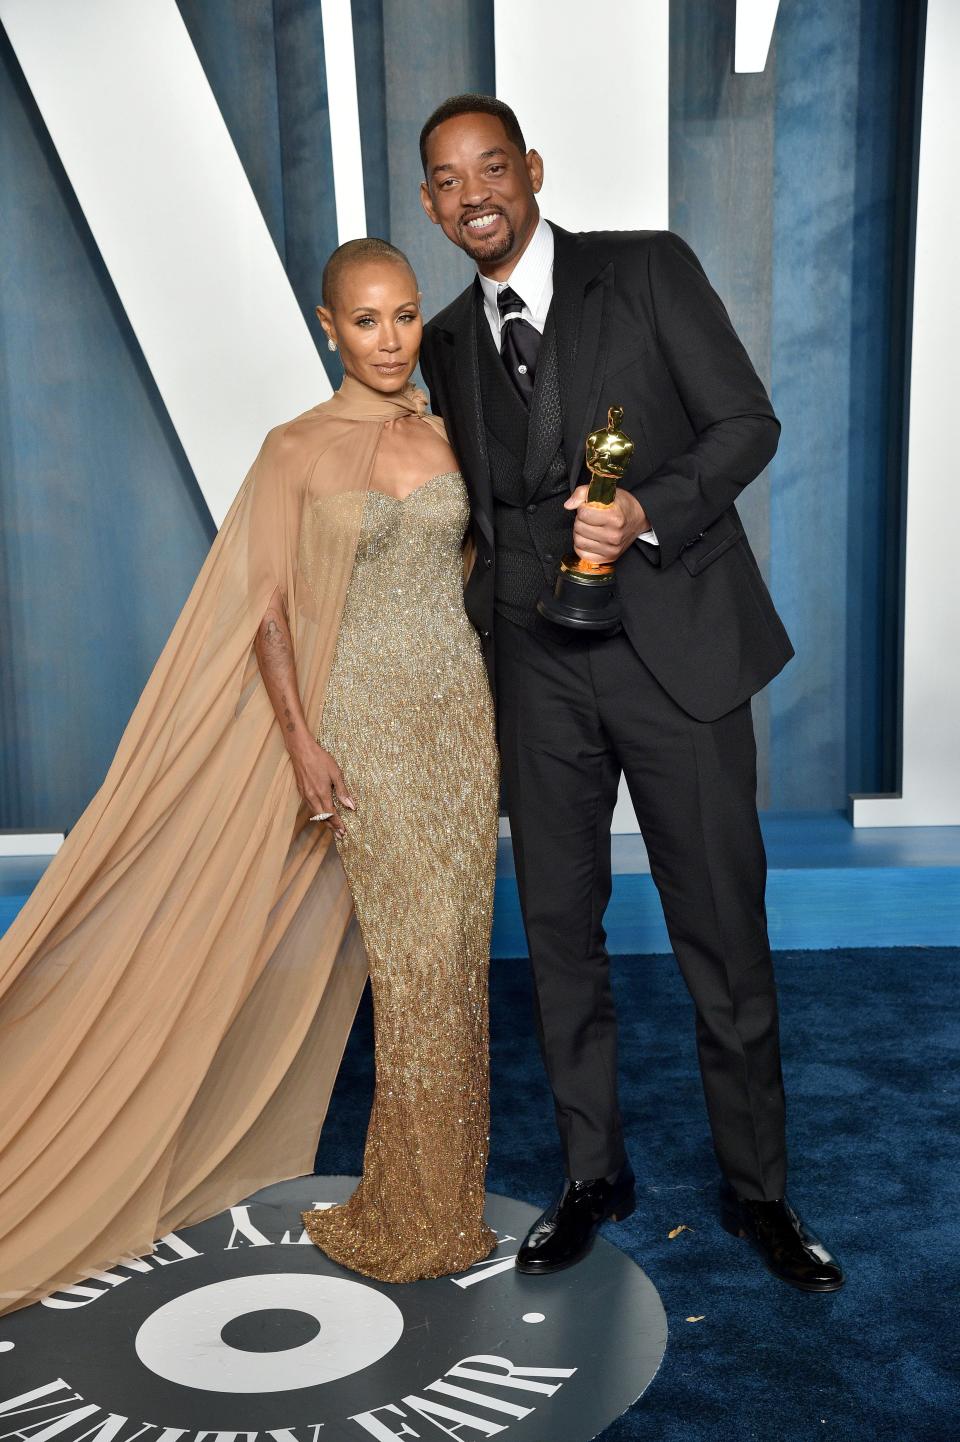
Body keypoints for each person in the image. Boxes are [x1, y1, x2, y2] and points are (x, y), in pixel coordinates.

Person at [0, 237, 497, 1312]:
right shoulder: (295, 449)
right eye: (365, 320)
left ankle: (443, 1200)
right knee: (411, 965)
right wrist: (303, 741)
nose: (389, 339)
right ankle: (406, 1208)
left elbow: (475, 585)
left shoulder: (456, 436)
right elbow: (266, 609)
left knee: (455, 956)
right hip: (359, 721)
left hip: (459, 722)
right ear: (328, 327)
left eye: (405, 316)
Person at [417, 94, 844, 1293]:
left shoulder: (647, 270)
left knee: (721, 928)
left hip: (678, 652)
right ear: (429, 204)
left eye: (491, 168)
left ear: (532, 170)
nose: (474, 197)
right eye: (447, 182)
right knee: (559, 934)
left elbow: (748, 422)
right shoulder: (450, 338)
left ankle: (759, 1190)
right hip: (536, 670)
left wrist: (648, 505)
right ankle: (592, 1174)